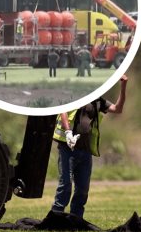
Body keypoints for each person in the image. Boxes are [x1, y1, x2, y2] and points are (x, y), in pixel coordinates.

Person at [51, 74, 128, 218]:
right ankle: (56, 216)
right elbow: (63, 110)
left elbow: (118, 109)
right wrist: (68, 132)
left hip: (85, 151)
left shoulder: (98, 101)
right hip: (68, 148)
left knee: (83, 189)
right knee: (66, 185)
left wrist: (123, 86)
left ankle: (76, 219)